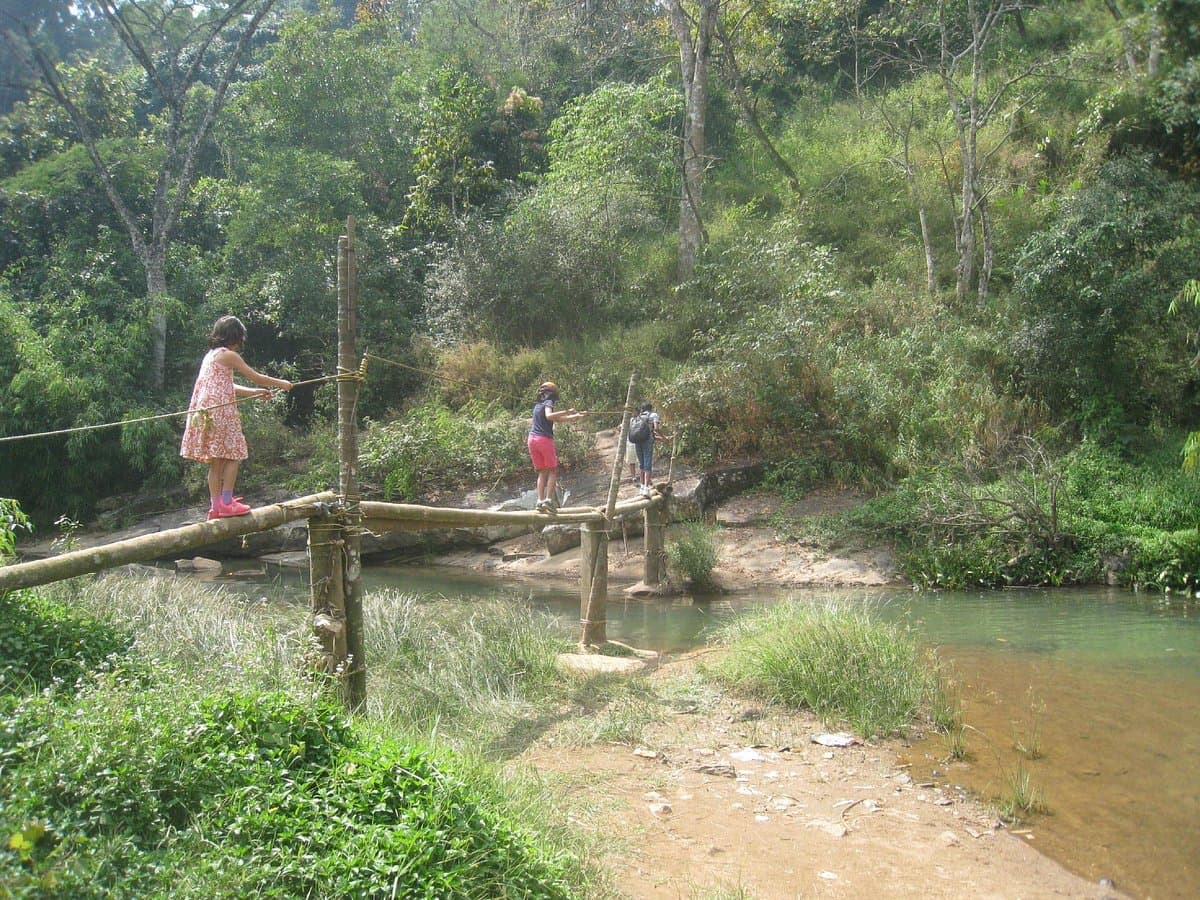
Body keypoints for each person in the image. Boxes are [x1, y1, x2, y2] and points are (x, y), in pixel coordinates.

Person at [180, 315, 293, 520]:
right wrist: (281, 383)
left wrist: (255, 392)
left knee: (217, 462)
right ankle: (226, 502)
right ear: (236, 336)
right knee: (234, 455)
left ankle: (216, 507)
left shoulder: (211, 356)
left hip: (207, 413)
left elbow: (227, 387)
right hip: (220, 413)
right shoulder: (228, 355)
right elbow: (256, 376)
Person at [527, 381, 588, 513]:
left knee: (542, 472)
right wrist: (567, 410)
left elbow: (558, 419)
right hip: (544, 439)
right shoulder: (549, 403)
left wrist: (575, 416)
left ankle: (540, 501)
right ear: (552, 394)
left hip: (532, 439)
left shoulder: (537, 405)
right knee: (553, 471)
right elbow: (550, 416)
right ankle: (548, 500)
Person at [629, 402, 667, 497]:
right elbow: (656, 429)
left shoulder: (638, 416)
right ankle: (646, 488)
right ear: (651, 408)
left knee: (641, 464)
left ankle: (642, 488)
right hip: (647, 440)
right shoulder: (654, 415)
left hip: (637, 440)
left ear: (643, 409)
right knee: (647, 464)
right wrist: (664, 437)